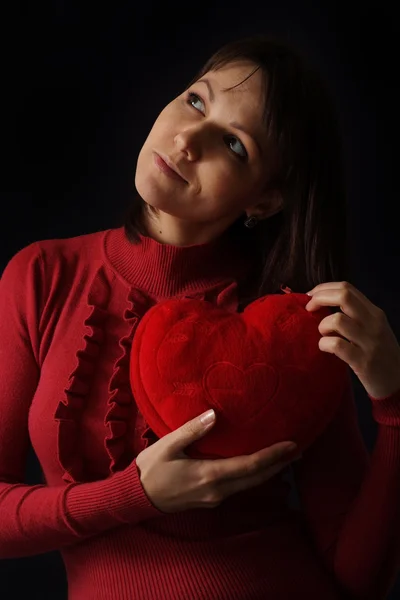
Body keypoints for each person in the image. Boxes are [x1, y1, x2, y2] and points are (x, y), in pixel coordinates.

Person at [1, 34, 400, 600]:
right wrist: (133, 495)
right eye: (196, 101)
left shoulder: (292, 325)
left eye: (234, 146)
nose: (188, 139)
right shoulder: (42, 275)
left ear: (265, 202)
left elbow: (360, 578)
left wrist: (394, 408)